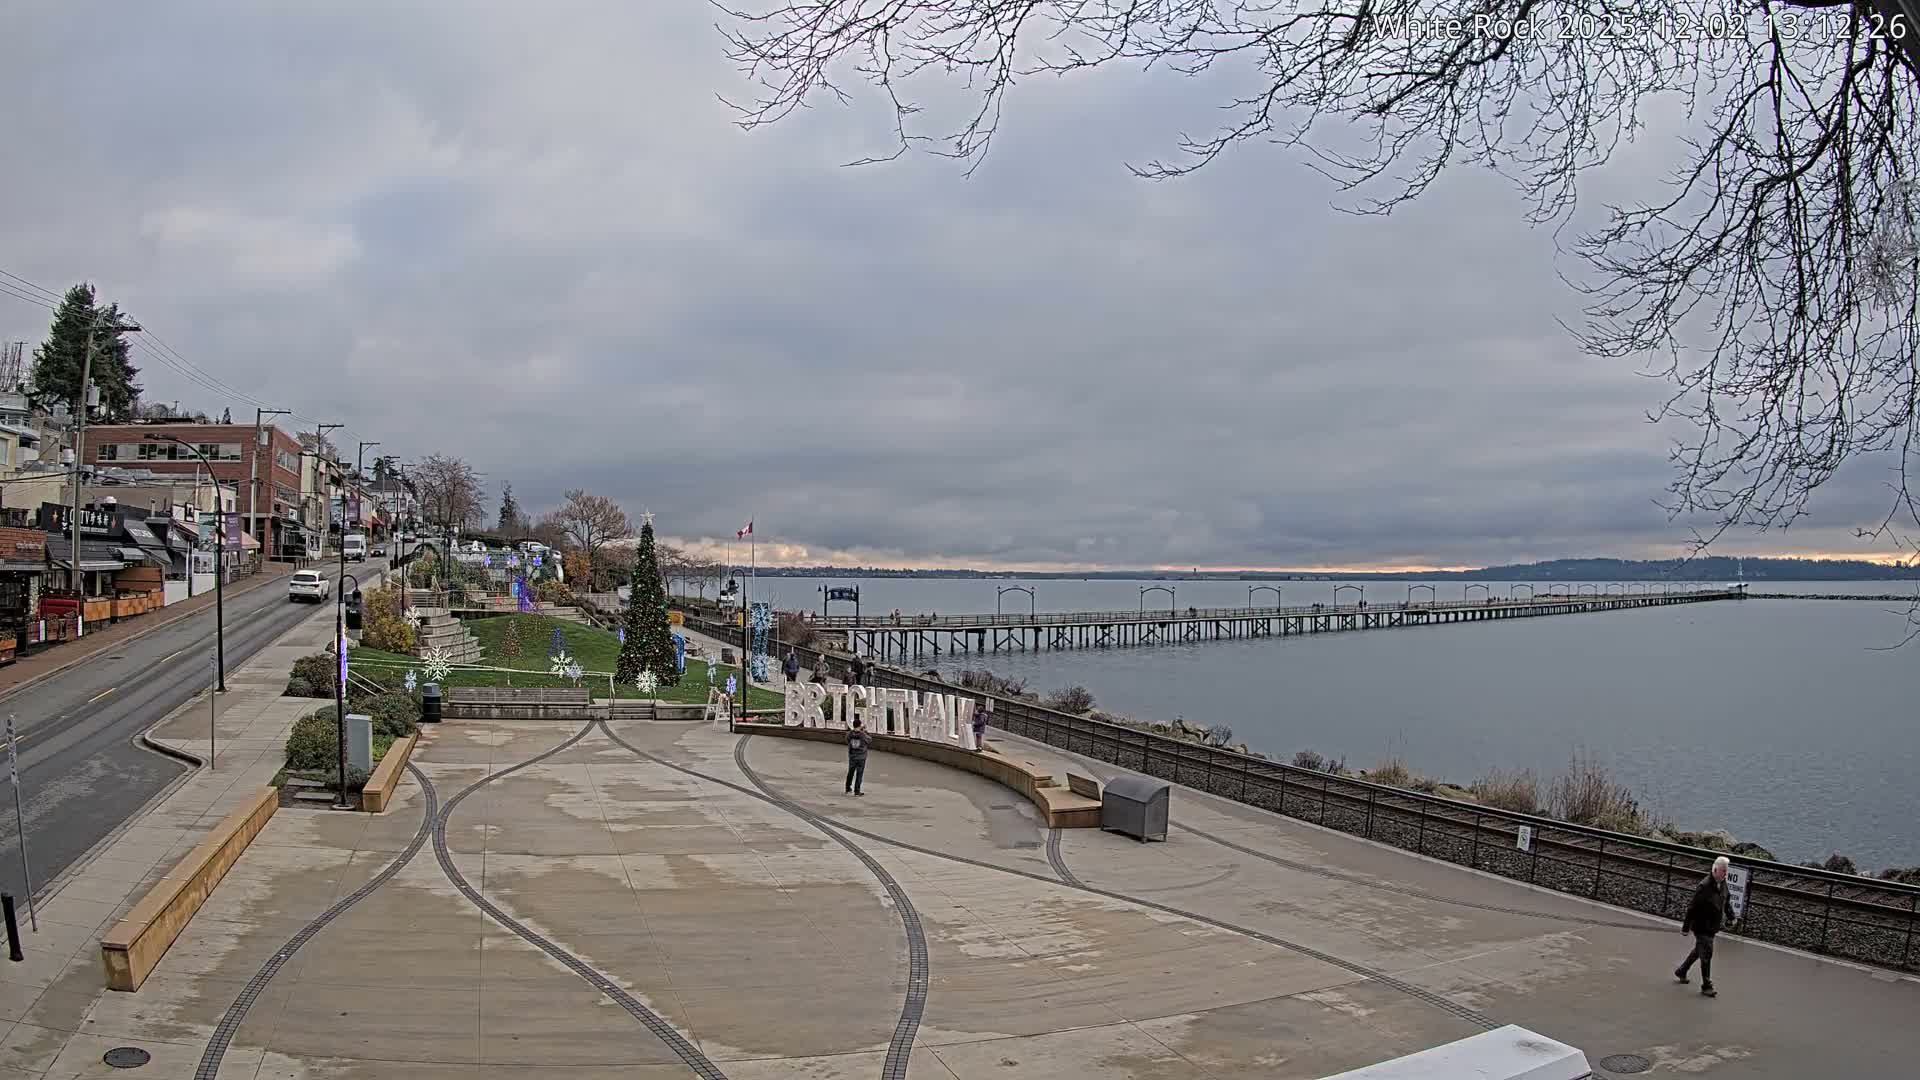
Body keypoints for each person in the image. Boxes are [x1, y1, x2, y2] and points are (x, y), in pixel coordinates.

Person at [1675, 855, 1735, 997]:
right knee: (1706, 954)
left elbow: (1726, 901)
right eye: (1723, 871)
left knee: (1699, 950)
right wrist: (1686, 927)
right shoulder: (1704, 886)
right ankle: (1706, 985)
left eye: (1726, 871)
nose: (1726, 874)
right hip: (1702, 927)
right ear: (1715, 870)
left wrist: (1731, 916)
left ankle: (1681, 971)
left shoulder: (1722, 883)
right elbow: (1692, 907)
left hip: (1712, 926)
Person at [845, 718, 870, 796]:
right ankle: (857, 791)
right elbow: (869, 740)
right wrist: (865, 731)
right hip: (861, 757)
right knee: (859, 774)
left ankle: (848, 788)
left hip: (852, 756)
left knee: (850, 772)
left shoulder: (849, 734)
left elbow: (847, 740)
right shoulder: (863, 734)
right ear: (860, 725)